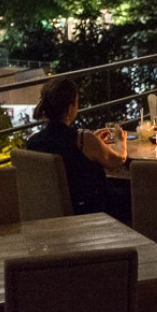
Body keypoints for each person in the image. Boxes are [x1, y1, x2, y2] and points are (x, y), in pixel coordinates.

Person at [26, 78, 127, 215]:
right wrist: (120, 141)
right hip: (93, 211)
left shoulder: (33, 141)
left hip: (51, 212)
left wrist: (94, 141)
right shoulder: (82, 140)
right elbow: (117, 160)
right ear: (70, 108)